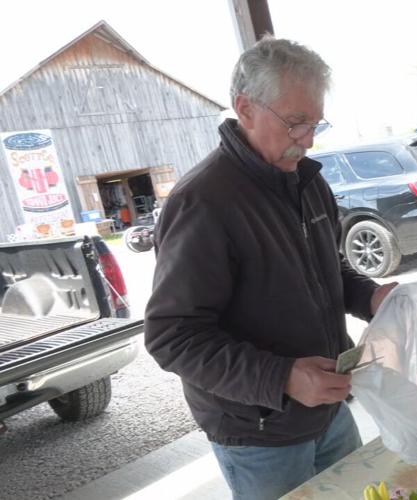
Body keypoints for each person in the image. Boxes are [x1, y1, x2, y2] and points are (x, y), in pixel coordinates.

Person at [144, 37, 396, 500]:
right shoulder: (202, 202)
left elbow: (328, 270)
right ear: (245, 108)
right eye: (296, 123)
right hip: (257, 431)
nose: (309, 138)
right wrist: (282, 377)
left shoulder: (305, 181)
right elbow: (172, 336)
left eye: (316, 123)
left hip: (328, 404)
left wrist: (370, 296)